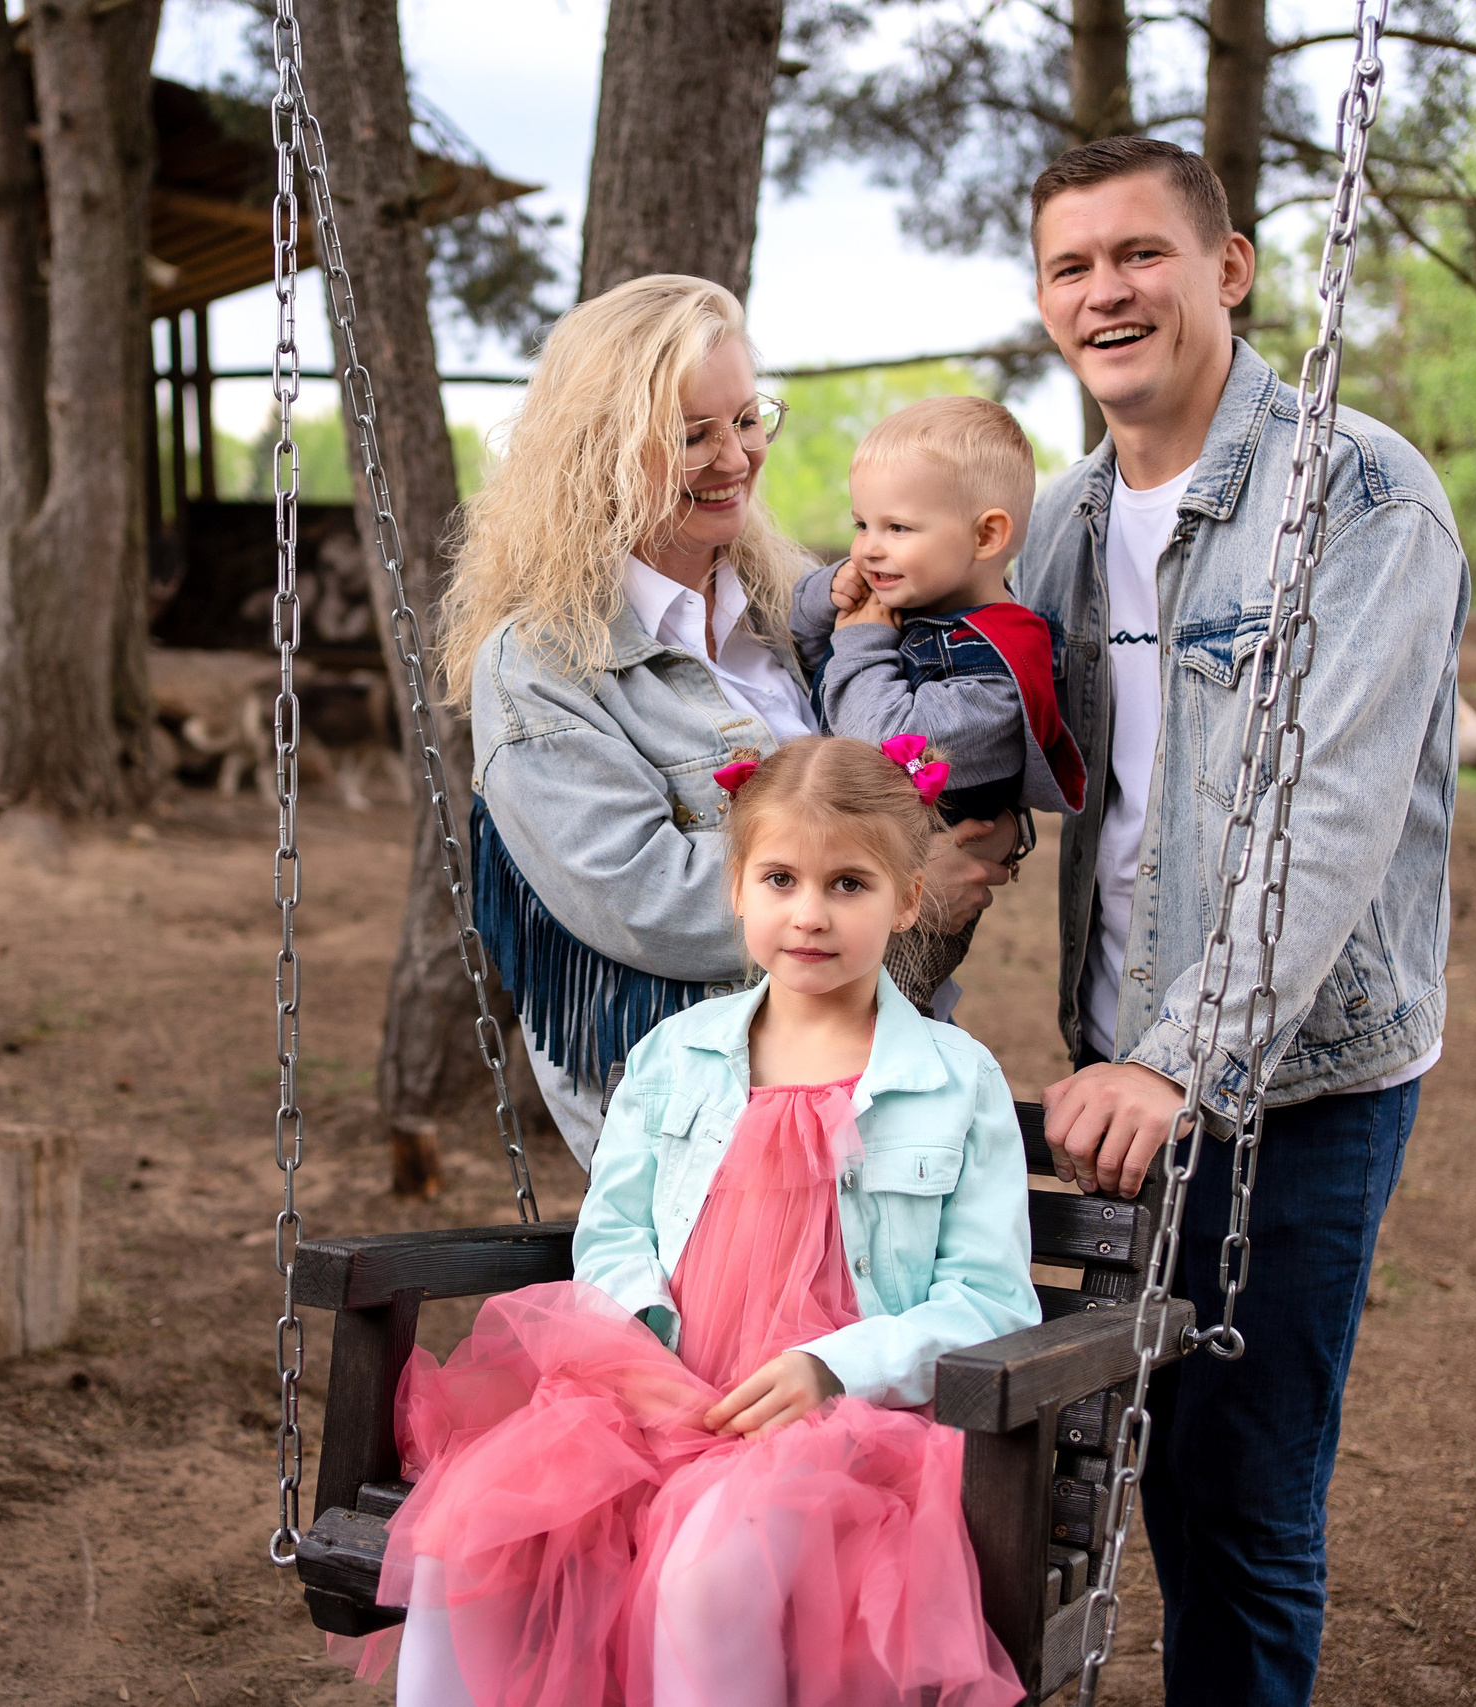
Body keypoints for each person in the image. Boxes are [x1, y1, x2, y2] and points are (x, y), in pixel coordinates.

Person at [1012, 137, 1466, 1705]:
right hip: (1120, 1059)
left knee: (1249, 1502)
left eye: (1138, 253)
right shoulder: (1061, 522)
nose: (1104, 292)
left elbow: (1325, 822)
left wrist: (1182, 1059)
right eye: (1070, 267)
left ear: (1229, 267)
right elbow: (993, 782)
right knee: (1135, 1465)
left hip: (1304, 1076)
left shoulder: (1360, 494)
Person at [350, 736, 1039, 1707]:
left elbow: (986, 1301)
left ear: (907, 900)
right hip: (663, 1394)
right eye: (781, 879)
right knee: (476, 1544)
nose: (809, 913)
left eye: (848, 884)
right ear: (737, 890)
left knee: (707, 1574)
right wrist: (642, 1344)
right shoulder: (678, 1056)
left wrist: (832, 1367)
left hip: (844, 1430)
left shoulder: (950, 1081)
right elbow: (616, 1231)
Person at [439, 275, 1017, 1167]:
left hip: (885, 1092)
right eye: (690, 435)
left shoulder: (797, 615)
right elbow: (640, 892)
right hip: (700, 1128)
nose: (735, 457)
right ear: (600, 451)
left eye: (747, 420)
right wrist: (894, 884)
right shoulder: (542, 662)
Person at [788, 395, 1088, 1017]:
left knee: (862, 1027)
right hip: (861, 869)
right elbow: (812, 658)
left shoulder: (1002, 665)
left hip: (916, 918)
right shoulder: (914, 606)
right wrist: (827, 596)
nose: (869, 548)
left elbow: (892, 748)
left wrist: (863, 639)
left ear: (987, 535)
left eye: (897, 528)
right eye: (861, 524)